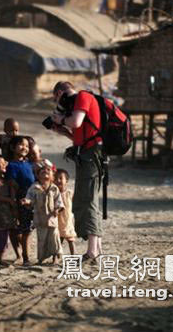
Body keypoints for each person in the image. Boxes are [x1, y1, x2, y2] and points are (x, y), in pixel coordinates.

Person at [50, 81, 104, 261]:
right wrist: (63, 131)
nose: (60, 106)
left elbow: (76, 121)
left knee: (87, 201)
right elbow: (79, 134)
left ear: (59, 93)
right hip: (86, 154)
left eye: (57, 100)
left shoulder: (82, 96)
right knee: (88, 200)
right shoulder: (82, 99)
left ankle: (92, 251)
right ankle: (96, 248)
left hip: (91, 156)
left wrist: (60, 119)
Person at [22, 164, 64, 265]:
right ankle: (41, 258)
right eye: (42, 171)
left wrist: (57, 209)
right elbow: (30, 199)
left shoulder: (54, 188)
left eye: (48, 170)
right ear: (38, 175)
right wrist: (26, 201)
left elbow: (59, 201)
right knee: (42, 239)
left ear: (52, 175)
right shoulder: (34, 187)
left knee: (54, 238)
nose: (45, 172)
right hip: (40, 219)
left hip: (52, 218)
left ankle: (55, 257)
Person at [5, 135, 35, 265]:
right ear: (12, 147)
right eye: (21, 145)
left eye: (27, 146)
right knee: (24, 229)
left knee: (28, 229)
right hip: (21, 198)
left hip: (33, 198)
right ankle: (24, 256)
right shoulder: (11, 165)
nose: (25, 148)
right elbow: (12, 183)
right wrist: (14, 202)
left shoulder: (29, 163)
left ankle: (24, 254)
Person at [55, 168, 76, 254]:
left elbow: (76, 203)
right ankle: (56, 257)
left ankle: (74, 256)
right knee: (57, 241)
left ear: (66, 180)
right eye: (55, 178)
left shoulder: (70, 193)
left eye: (60, 178)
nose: (58, 180)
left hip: (68, 221)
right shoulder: (53, 194)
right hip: (57, 221)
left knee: (71, 239)